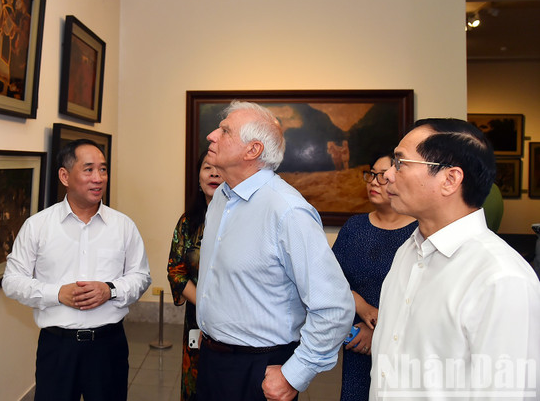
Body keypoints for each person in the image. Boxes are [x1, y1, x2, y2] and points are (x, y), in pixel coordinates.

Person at [196, 101, 354, 401]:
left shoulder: (287, 211)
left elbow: (334, 308)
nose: (212, 136)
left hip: (260, 368)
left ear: (252, 150)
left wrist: (296, 374)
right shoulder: (221, 200)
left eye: (225, 131)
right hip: (213, 359)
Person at [370, 118, 540, 399]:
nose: (387, 174)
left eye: (400, 163)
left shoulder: (501, 278)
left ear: (450, 180)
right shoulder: (407, 252)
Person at [1, 139, 151, 401]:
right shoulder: (38, 226)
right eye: (89, 169)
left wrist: (110, 290)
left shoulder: (123, 226)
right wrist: (57, 294)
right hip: (57, 348)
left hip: (108, 346)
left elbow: (141, 276)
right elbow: (12, 281)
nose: (98, 178)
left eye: (103, 170)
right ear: (64, 176)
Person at [331, 154, 417, 401]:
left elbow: (421, 295)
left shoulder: (418, 232)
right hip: (358, 341)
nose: (374, 182)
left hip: (404, 347)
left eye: (383, 175)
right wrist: (363, 307)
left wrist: (380, 331)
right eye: (371, 174)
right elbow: (331, 280)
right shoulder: (354, 227)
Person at [167, 151, 222, 401]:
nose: (213, 173)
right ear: (199, 178)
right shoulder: (188, 223)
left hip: (239, 322)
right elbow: (175, 270)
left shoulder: (243, 221)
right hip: (198, 319)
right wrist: (206, 303)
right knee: (196, 386)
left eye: (219, 168)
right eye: (207, 168)